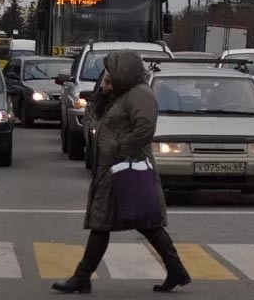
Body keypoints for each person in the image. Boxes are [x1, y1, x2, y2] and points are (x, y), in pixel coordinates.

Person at [53, 51, 191, 294]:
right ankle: (176, 269)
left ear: (124, 72)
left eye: (111, 74)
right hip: (113, 169)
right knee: (115, 222)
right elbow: (99, 117)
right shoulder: (121, 94)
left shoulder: (140, 94)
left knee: (124, 222)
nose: (107, 78)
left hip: (128, 167)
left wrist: (119, 148)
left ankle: (81, 277)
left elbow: (145, 129)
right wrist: (104, 92)